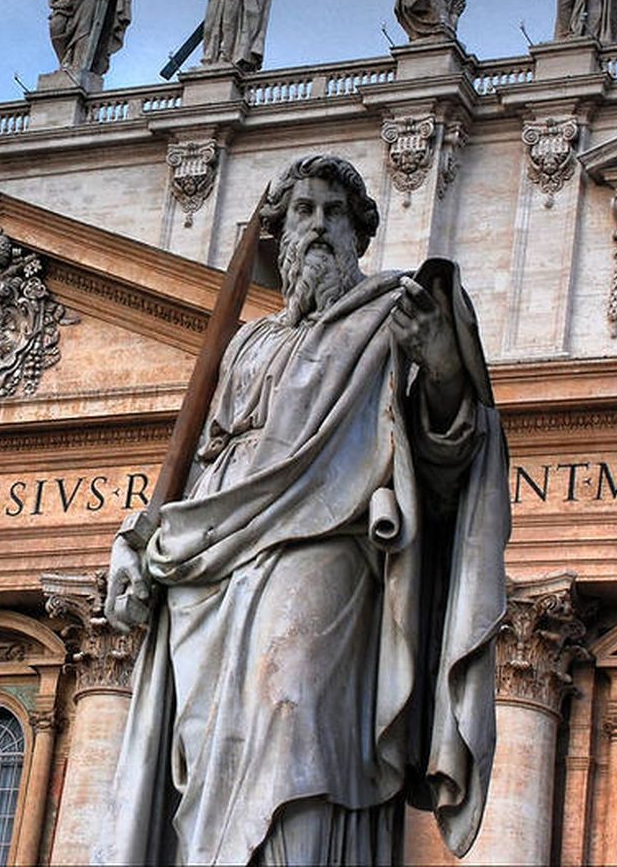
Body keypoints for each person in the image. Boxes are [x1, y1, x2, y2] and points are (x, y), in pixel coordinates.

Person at [102, 154, 510, 865]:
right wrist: (143, 542)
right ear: (279, 233)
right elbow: (202, 460)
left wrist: (441, 368)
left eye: (333, 213)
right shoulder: (248, 343)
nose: (318, 225)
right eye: (302, 211)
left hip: (329, 540)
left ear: (358, 234)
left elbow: (446, 462)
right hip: (216, 561)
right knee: (210, 748)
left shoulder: (392, 317)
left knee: (294, 709)